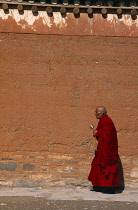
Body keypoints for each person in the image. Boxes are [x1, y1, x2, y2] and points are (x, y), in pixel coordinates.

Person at [88, 106, 119, 194]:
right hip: (102, 149)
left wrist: (97, 133)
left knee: (107, 165)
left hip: (108, 150)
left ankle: (109, 187)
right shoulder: (103, 121)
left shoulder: (107, 121)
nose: (96, 114)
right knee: (98, 165)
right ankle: (99, 185)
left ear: (101, 113)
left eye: (97, 112)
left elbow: (109, 136)